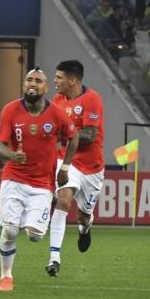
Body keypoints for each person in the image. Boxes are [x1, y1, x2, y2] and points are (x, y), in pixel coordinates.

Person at [0, 68, 79, 292]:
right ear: (24, 84)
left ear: (46, 87)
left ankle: (24, 223)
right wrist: (12, 155)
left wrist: (66, 166)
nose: (33, 84)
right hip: (14, 178)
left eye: (38, 81)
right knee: (11, 231)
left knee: (34, 236)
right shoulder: (10, 110)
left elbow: (74, 136)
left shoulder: (57, 113)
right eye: (29, 80)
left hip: (42, 183)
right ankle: (6, 277)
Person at [46, 60, 104, 277]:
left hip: (92, 167)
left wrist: (67, 135)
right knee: (63, 198)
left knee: (83, 214)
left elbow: (90, 135)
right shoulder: (57, 101)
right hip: (67, 161)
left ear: (72, 80)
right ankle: (54, 258)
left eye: (59, 77)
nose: (55, 81)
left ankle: (85, 227)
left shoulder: (92, 99)